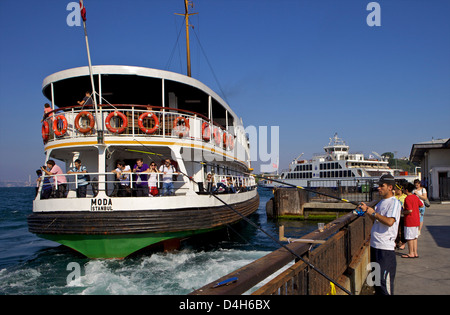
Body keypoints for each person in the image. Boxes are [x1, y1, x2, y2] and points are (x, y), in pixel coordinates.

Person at [359, 174, 401, 295]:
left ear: (390, 187)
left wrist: (374, 214)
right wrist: (367, 210)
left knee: (384, 285)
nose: (378, 188)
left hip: (385, 250)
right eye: (378, 186)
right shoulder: (381, 202)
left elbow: (389, 221)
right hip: (375, 246)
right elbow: (376, 221)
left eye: (382, 186)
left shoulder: (394, 203)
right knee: (376, 283)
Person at [402, 183, 421, 258]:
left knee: (409, 237)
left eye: (403, 188)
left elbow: (409, 210)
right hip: (416, 219)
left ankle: (411, 253)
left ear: (406, 190)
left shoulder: (407, 198)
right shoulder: (415, 197)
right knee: (415, 237)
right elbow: (421, 204)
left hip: (409, 220)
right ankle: (415, 252)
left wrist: (403, 212)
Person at [394, 183, 407, 250]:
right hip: (396, 215)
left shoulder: (405, 196)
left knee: (402, 229)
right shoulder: (394, 197)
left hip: (402, 215)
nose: (395, 190)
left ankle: (403, 242)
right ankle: (396, 241)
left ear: (400, 190)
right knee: (396, 229)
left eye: (396, 189)